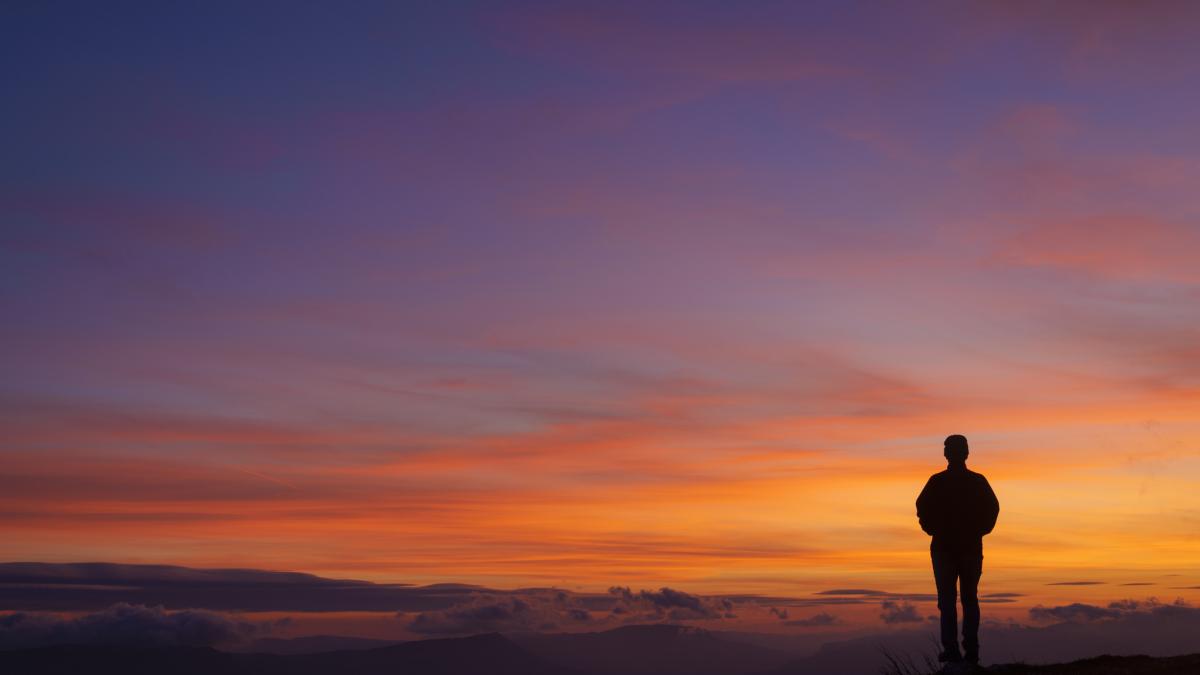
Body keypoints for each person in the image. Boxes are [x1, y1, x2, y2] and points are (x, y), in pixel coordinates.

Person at [915, 434, 999, 665]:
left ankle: (953, 650)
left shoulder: (938, 481)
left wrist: (932, 529)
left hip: (946, 549)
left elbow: (921, 507)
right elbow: (993, 509)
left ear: (946, 453)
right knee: (968, 599)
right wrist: (979, 531)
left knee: (949, 600)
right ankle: (968, 650)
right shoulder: (976, 481)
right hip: (965, 548)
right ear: (966, 453)